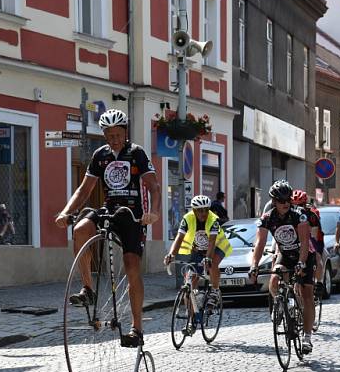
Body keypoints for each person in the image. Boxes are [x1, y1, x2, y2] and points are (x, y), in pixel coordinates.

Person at [55, 109, 161, 348]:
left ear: (125, 132)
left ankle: (137, 328)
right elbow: (84, 190)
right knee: (80, 229)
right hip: (109, 209)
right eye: (109, 135)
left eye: (117, 134)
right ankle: (87, 288)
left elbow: (154, 187)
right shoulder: (100, 155)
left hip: (133, 215)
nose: (113, 139)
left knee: (132, 267)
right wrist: (66, 212)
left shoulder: (137, 153)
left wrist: (153, 213)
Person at [248, 180, 315, 355]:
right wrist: (254, 266)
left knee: (307, 293)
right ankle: (281, 303)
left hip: (304, 253)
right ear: (274, 202)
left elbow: (304, 242)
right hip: (285, 254)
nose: (285, 204)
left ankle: (307, 337)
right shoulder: (267, 219)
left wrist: (301, 263)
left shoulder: (298, 215)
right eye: (281, 201)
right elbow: (260, 243)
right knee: (275, 277)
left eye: (288, 200)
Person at [164, 195, 233, 309]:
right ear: (194, 210)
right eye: (200, 210)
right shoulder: (187, 218)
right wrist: (171, 254)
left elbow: (211, 241)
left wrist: (208, 258)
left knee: (212, 264)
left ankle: (215, 291)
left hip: (217, 247)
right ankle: (191, 320)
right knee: (189, 282)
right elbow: (179, 237)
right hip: (198, 250)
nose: (204, 213)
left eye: (206, 210)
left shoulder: (213, 220)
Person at [291, 190, 325, 296]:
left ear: (305, 204)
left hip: (314, 239)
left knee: (317, 256)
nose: (297, 208)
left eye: (300, 205)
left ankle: (319, 283)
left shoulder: (312, 216)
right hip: (297, 239)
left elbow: (313, 236)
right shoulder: (290, 214)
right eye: (294, 205)